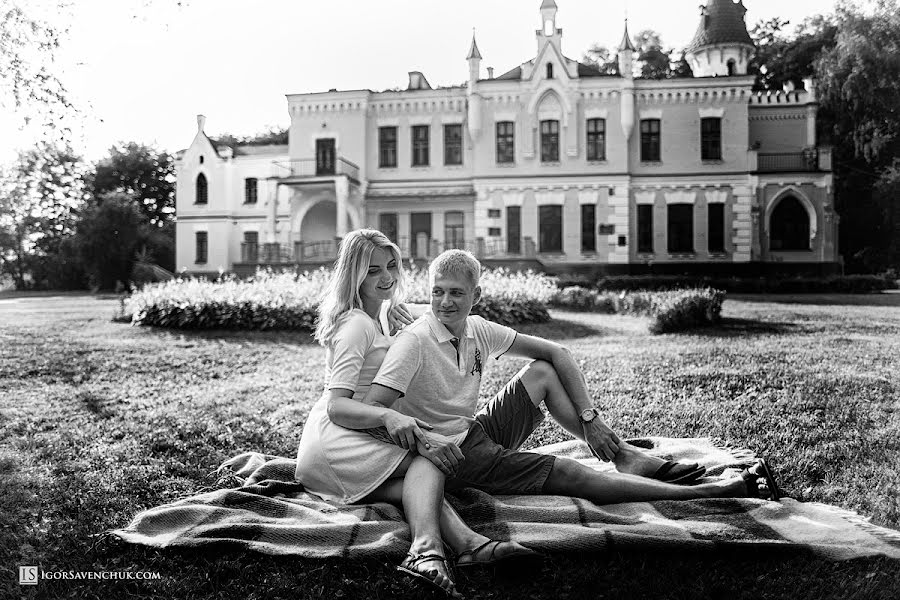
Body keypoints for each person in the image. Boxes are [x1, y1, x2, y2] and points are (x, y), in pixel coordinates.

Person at [359, 249, 781, 506]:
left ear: (476, 297)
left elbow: (556, 352)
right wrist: (424, 444)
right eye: (437, 291)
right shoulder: (414, 342)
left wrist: (591, 418)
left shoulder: (478, 329)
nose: (445, 301)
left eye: (455, 292)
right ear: (428, 291)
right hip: (454, 456)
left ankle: (621, 454)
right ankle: (702, 495)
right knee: (567, 473)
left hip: (473, 432)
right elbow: (376, 409)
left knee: (542, 371)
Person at [295, 230, 537, 599]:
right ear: (354, 275)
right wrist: (392, 418)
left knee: (415, 487)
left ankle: (468, 547)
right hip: (340, 436)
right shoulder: (357, 324)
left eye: (391, 265)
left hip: (359, 430)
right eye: (373, 270)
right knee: (427, 458)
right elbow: (337, 404)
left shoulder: (386, 314)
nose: (387, 276)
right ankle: (428, 549)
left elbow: (422, 334)